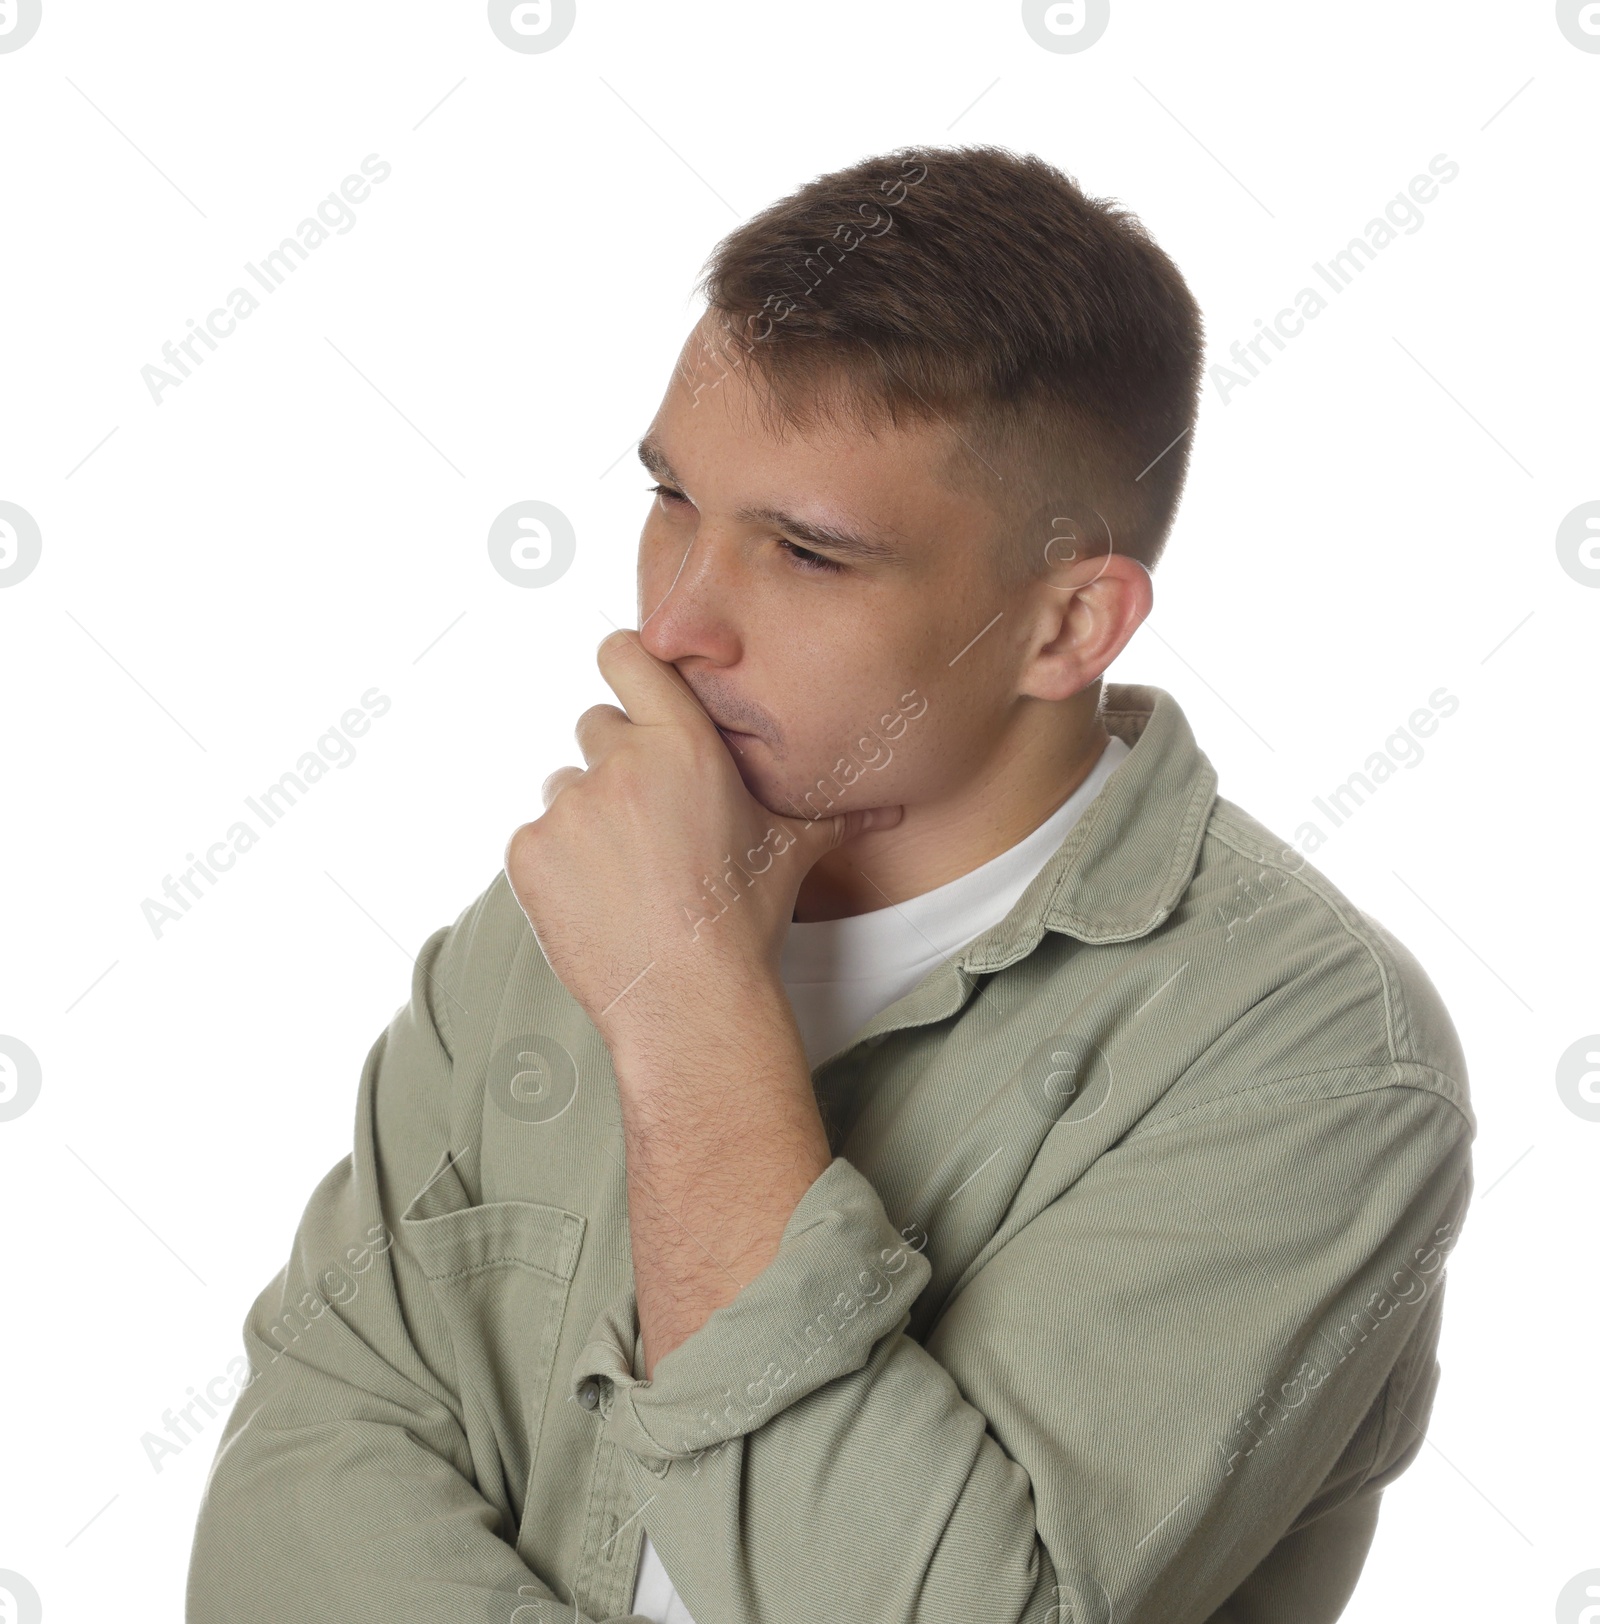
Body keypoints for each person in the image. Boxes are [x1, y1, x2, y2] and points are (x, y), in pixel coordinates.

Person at [186, 144, 1474, 1624]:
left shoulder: (1308, 1058)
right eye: (673, 496)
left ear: (1065, 625)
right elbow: (295, 1486)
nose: (669, 624)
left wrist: (681, 1003)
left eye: (805, 552)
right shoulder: (573, 894)